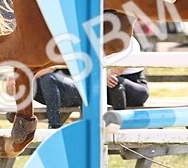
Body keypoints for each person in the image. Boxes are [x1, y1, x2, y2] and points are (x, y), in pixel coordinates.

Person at [11, 36, 150, 129]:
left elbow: (118, 69)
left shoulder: (126, 38)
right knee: (88, 86)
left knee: (111, 82)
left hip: (133, 86)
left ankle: (119, 129)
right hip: (104, 86)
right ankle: (82, 127)